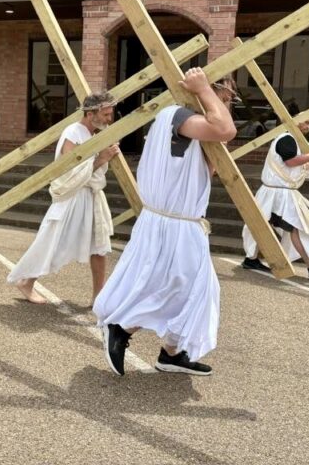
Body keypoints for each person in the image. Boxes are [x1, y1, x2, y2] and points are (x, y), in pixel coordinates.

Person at [95, 68, 238, 377]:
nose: (226, 104)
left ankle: (172, 353)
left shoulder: (184, 123)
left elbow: (201, 171)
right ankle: (121, 327)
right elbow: (226, 129)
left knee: (198, 291)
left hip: (180, 222)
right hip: (173, 224)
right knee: (174, 287)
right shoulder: (178, 115)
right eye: (225, 97)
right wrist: (204, 89)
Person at [7, 92, 121, 304]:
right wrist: (101, 158)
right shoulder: (73, 132)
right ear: (90, 114)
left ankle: (98, 296)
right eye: (105, 114)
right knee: (52, 242)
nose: (109, 119)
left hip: (90, 197)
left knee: (99, 246)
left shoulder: (94, 135)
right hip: (71, 198)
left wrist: (104, 153)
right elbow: (70, 171)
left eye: (109, 114)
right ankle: (26, 282)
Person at [241, 118, 309, 279]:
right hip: (277, 194)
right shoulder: (287, 138)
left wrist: (307, 163)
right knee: (292, 227)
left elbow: (289, 165)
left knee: (272, 225)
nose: (308, 127)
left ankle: (251, 259)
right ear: (296, 120)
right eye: (306, 122)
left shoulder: (291, 140)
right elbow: (291, 162)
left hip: (278, 193)